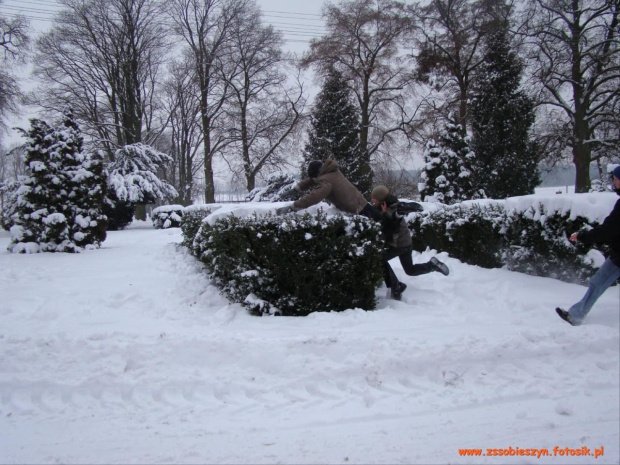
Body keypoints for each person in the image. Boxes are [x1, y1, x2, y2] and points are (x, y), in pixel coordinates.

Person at [556, 166, 620, 326]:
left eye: (616, 178)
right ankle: (575, 315)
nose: (614, 181)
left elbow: (608, 230)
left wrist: (582, 237)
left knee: (598, 283)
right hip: (618, 255)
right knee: (597, 283)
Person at [370, 185, 449, 300]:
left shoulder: (394, 209)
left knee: (379, 259)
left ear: (382, 200)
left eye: (374, 199)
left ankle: (396, 286)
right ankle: (432, 265)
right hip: (406, 243)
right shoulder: (385, 207)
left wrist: (386, 214)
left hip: (398, 245)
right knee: (410, 270)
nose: (372, 200)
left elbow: (391, 227)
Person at [276, 159, 376, 217]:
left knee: (381, 232)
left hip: (360, 210)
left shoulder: (327, 181)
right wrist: (296, 189)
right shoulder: (330, 171)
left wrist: (293, 207)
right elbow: (312, 180)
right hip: (362, 203)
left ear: (318, 174)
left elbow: (314, 197)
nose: (314, 179)